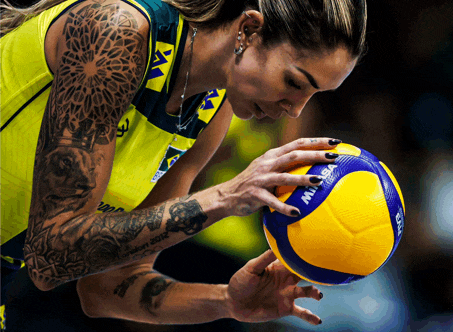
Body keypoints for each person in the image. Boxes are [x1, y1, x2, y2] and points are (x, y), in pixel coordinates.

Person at [0, 0, 367, 329]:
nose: (296, 109)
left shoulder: (212, 108)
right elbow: (50, 254)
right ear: (249, 30)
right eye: (293, 82)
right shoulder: (115, 31)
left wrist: (228, 301)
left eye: (314, 95)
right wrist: (224, 197)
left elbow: (107, 288)